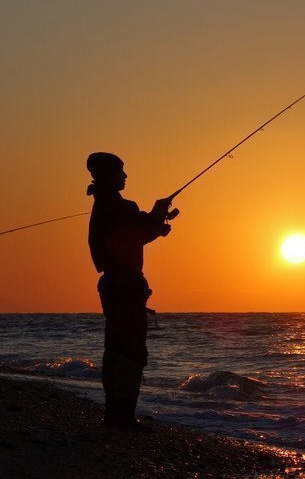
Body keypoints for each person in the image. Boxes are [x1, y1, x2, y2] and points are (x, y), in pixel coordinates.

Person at [86, 152, 177, 430]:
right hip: (126, 286)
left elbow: (133, 235)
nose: (125, 176)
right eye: (121, 172)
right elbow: (139, 230)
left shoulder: (102, 205)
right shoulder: (120, 206)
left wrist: (156, 223)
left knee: (115, 349)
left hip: (113, 286)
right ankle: (122, 417)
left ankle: (114, 414)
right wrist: (158, 214)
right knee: (130, 350)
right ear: (111, 176)